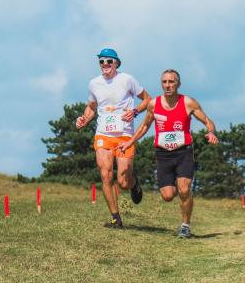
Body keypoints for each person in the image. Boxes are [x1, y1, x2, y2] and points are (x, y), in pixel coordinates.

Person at [119, 69, 219, 238]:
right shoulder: (154, 104)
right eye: (164, 82)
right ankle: (148, 186)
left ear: (178, 84)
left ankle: (185, 226)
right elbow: (144, 126)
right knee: (168, 195)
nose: (168, 85)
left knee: (184, 189)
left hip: (183, 152)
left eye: (171, 82)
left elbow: (208, 121)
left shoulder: (188, 102)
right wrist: (130, 142)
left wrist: (211, 132)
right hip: (163, 154)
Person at [75, 48, 151, 228]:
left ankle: (133, 183)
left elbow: (147, 100)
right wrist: (84, 119)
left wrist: (134, 111)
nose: (105, 65)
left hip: (125, 135)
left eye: (109, 61)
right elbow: (91, 107)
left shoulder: (127, 79)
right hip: (103, 134)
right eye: (101, 61)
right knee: (105, 175)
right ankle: (116, 218)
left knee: (123, 183)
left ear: (116, 63)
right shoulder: (94, 83)